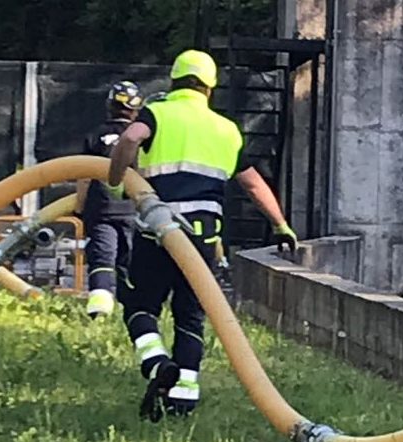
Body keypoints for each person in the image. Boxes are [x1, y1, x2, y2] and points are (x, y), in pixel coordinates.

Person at [105, 49, 298, 419]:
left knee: (139, 305)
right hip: (204, 238)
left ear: (174, 81)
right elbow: (253, 184)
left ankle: (157, 364)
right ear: (210, 88)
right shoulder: (226, 129)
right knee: (190, 316)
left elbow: (129, 139)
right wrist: (280, 224)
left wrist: (117, 181)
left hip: (158, 234)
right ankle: (184, 399)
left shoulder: (158, 112)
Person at [75, 80, 143, 318]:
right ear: (136, 109)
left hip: (101, 209)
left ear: (109, 106)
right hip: (133, 210)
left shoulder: (95, 135)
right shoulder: (141, 137)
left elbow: (84, 176)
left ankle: (99, 312)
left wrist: (79, 208)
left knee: (102, 259)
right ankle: (132, 310)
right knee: (128, 261)